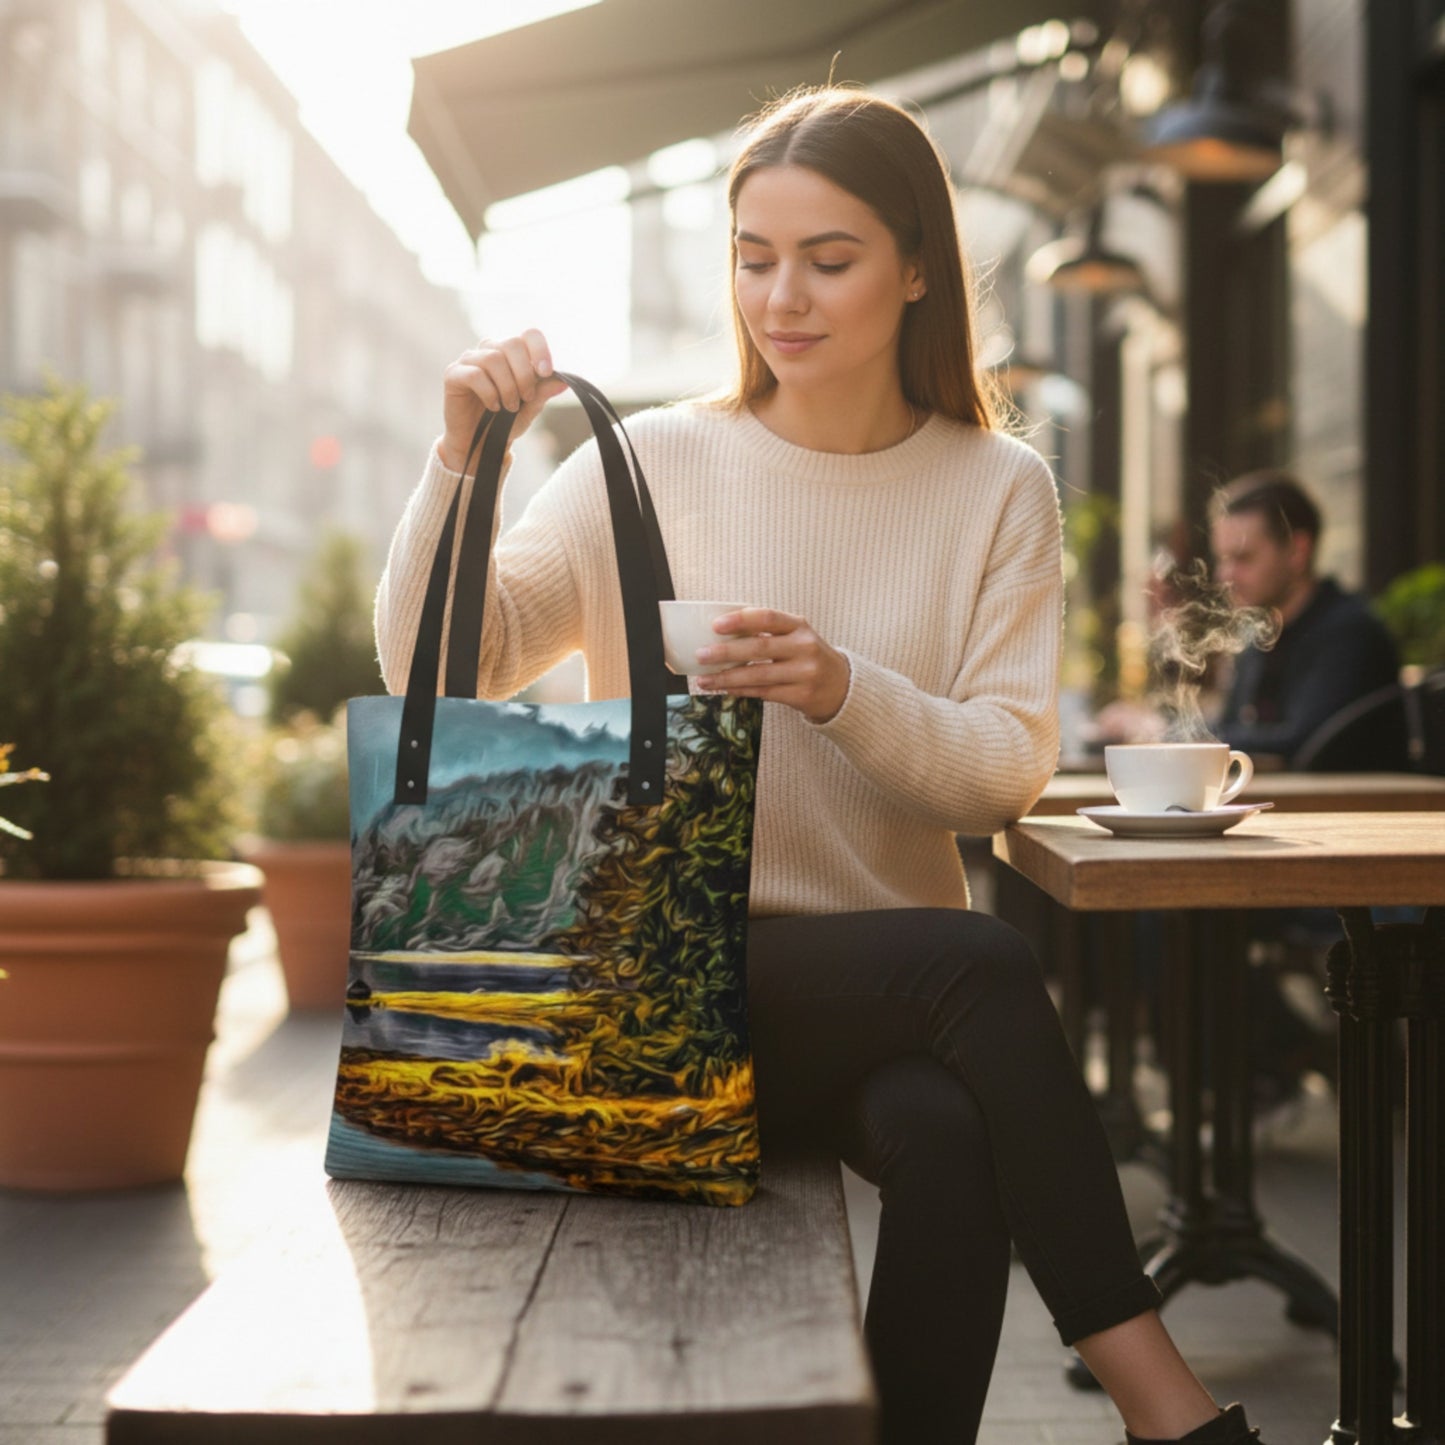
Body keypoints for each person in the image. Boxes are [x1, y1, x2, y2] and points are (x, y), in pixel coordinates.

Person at [374, 87, 1269, 1445]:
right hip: (640, 982)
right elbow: (442, 672)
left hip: (867, 1005)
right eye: (753, 255)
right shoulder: (658, 460)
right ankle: (1169, 1411)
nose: (779, 297)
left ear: (917, 269)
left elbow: (999, 778)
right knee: (979, 962)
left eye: (828, 258)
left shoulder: (996, 489)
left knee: (952, 1136)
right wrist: (459, 462)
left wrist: (841, 685)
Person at [1208, 471, 1403, 767]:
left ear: (1298, 550)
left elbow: (1303, 744)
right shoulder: (1259, 636)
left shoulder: (1349, 633)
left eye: (1243, 558)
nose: (1225, 576)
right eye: (1222, 559)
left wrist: (1176, 737)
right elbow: (1233, 729)